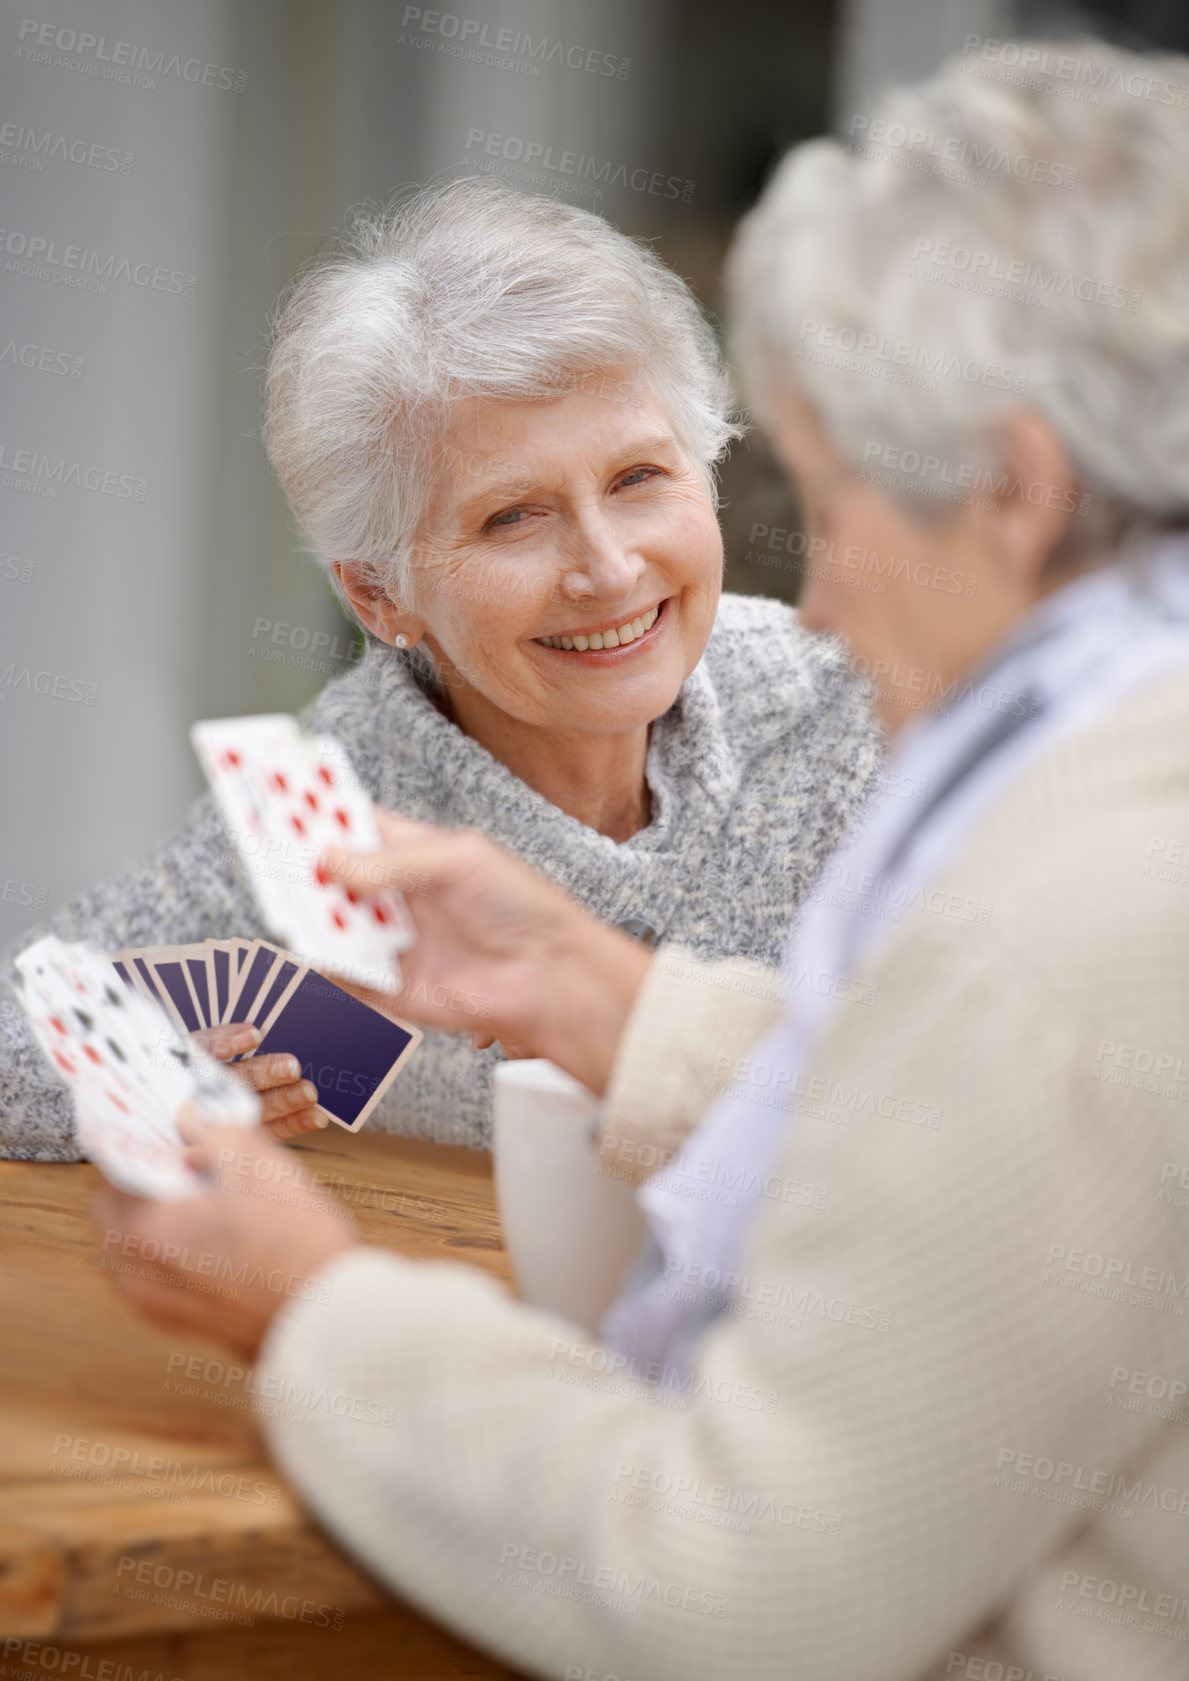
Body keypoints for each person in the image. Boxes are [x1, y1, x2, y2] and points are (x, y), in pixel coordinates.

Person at [94, 36, 1189, 1681]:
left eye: (822, 505)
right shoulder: (1113, 768)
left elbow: (731, 1601)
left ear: (1014, 494)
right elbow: (968, 1135)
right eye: (511, 519)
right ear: (381, 594)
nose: (804, 600)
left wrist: (313, 1302)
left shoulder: (1034, 910)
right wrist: (619, 1008)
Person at [0, 176, 878, 1157]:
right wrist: (155, 1081)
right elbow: (15, 1037)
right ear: (379, 594)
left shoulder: (847, 702)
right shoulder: (333, 804)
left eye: (638, 478)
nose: (609, 567)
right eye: (513, 517)